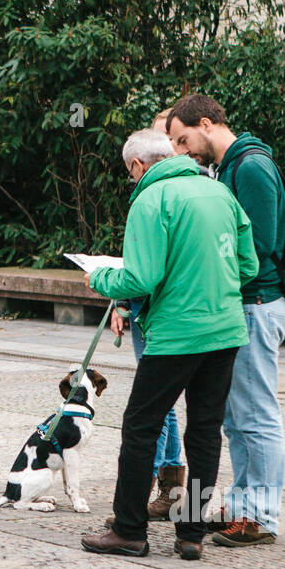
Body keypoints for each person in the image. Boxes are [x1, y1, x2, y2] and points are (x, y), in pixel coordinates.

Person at [81, 129, 259, 560]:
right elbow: (249, 265)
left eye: (130, 171)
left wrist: (99, 278)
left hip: (177, 334)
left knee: (141, 426)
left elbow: (141, 277)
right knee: (204, 432)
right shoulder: (218, 192)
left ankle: (128, 531)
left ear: (139, 166)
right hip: (225, 332)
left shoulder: (150, 200)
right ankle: (192, 535)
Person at [166, 93, 285, 547]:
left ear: (205, 123)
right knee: (235, 417)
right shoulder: (232, 166)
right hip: (241, 305)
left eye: (183, 140)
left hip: (256, 303)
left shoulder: (251, 166)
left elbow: (261, 244)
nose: (183, 152)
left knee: (256, 414)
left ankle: (260, 516)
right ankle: (241, 509)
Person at [109, 110, 184, 520]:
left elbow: (146, 268)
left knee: (150, 408)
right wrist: (122, 301)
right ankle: (175, 503)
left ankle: (140, 509)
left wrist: (108, 282)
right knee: (176, 410)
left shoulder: (160, 194)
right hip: (152, 307)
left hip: (166, 312)